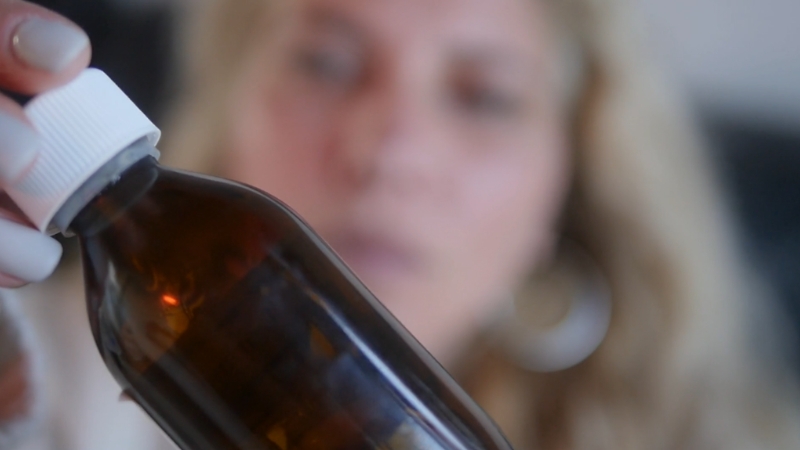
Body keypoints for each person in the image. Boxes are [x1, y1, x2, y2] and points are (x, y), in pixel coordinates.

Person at [0, 0, 798, 448]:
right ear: (224, 116)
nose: (391, 151)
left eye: (484, 95)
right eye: (328, 63)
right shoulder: (37, 384)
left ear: (569, 189)